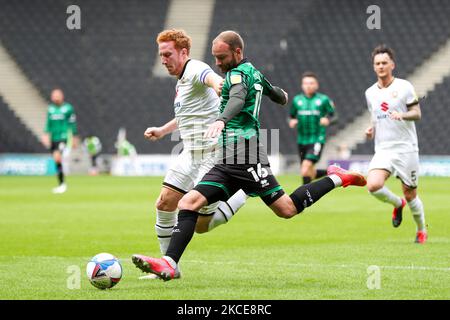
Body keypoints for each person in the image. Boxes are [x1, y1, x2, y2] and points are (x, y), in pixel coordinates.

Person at [131, 30, 367, 281]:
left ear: (237, 52)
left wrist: (222, 119)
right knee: (188, 203)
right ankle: (169, 263)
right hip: (227, 158)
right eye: (215, 58)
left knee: (286, 209)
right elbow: (278, 95)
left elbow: (236, 97)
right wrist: (281, 95)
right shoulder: (254, 72)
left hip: (248, 155)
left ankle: (337, 178)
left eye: (221, 58)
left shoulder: (234, 76)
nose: (218, 63)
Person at [136, 29, 248, 279]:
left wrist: (223, 86)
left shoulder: (196, 69)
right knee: (164, 203)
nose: (163, 60)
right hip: (190, 153)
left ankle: (241, 192)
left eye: (168, 54)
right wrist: (163, 130)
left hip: (213, 154)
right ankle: (169, 268)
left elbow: (213, 80)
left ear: (183, 52)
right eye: (161, 55)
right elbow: (187, 115)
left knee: (201, 226)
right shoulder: (182, 81)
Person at [364, 45, 427, 244]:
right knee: (373, 185)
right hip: (383, 149)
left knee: (411, 194)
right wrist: (370, 129)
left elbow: (417, 113)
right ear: (374, 67)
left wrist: (403, 115)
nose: (381, 66)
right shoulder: (370, 93)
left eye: (384, 62)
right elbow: (374, 116)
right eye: (377, 63)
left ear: (392, 64)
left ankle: (421, 229)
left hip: (406, 148)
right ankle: (396, 203)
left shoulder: (404, 87)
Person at [289, 72, 337, 184]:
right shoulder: (297, 100)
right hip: (301, 140)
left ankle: (304, 196)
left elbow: (335, 116)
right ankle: (332, 172)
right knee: (309, 173)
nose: (308, 85)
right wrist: (292, 121)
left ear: (316, 85)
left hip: (317, 139)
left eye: (311, 83)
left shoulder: (323, 100)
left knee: (305, 169)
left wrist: (328, 120)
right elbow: (291, 116)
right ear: (302, 85)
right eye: (305, 83)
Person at [41, 88, 78, 194]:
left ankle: (62, 185)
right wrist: (45, 134)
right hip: (54, 137)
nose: (55, 97)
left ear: (62, 96)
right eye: (54, 95)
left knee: (57, 157)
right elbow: (48, 123)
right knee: (56, 161)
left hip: (63, 137)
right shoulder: (50, 109)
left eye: (57, 95)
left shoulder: (68, 108)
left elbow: (72, 123)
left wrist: (74, 137)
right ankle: (61, 184)